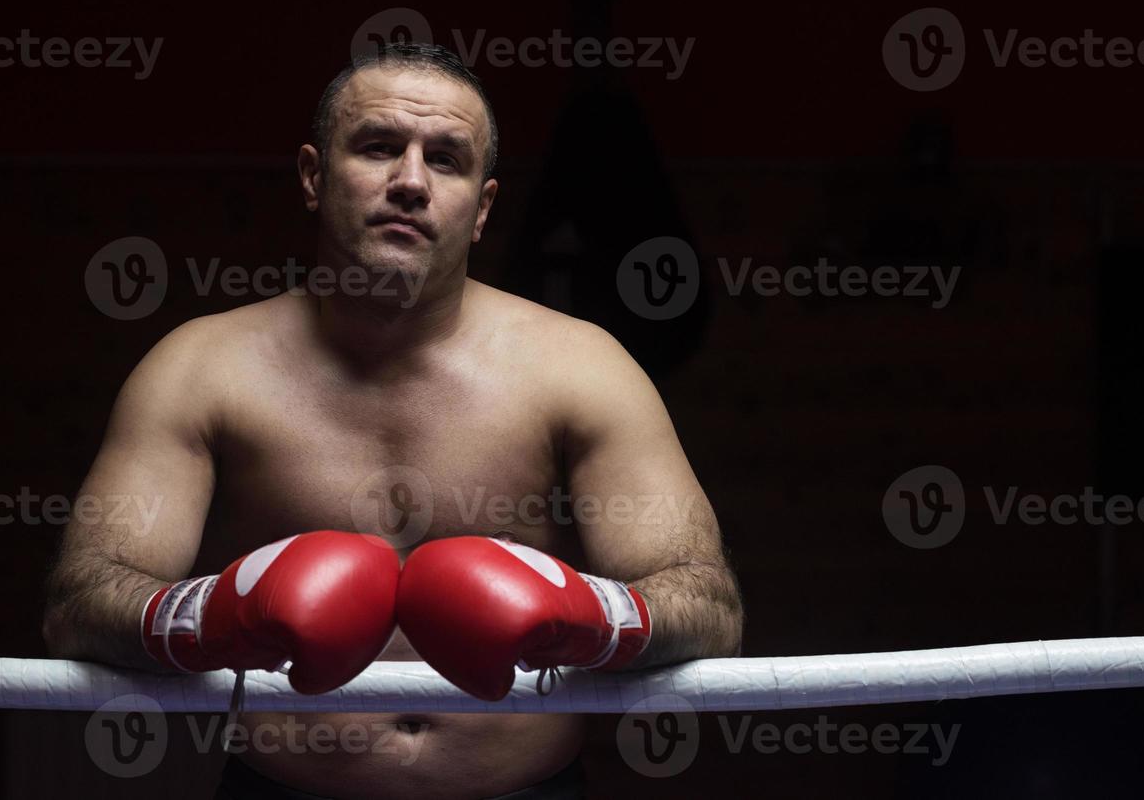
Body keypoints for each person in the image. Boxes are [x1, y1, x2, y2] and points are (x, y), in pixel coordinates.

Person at [42, 43, 743, 799]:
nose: (409, 182)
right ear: (313, 176)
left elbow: (709, 604)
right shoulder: (200, 368)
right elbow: (80, 602)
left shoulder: (581, 367)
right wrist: (213, 614)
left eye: (445, 160)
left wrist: (586, 613)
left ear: (480, 209)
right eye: (378, 147)